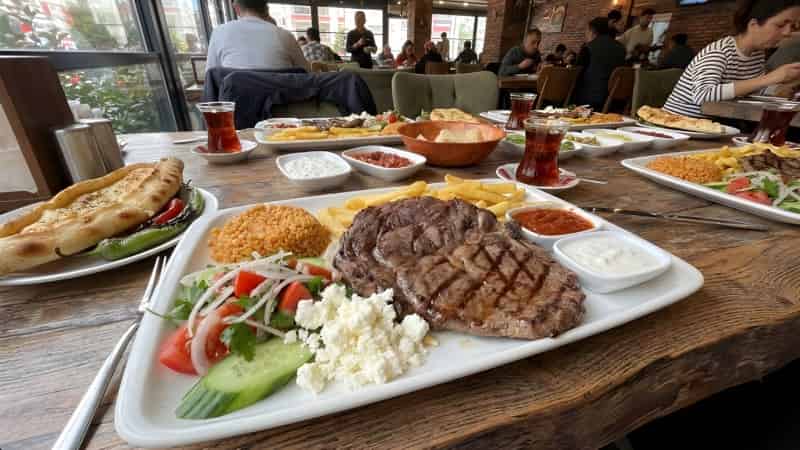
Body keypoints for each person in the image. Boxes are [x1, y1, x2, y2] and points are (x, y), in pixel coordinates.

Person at [664, 0, 800, 118]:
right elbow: (703, 95)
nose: (787, 33)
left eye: (792, 26)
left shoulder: (757, 54)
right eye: (780, 25)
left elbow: (751, 88)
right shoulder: (720, 51)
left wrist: (780, 89)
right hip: (675, 125)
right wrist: (770, 78)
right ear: (753, 25)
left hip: (716, 125)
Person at [206, 0, 309, 72]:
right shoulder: (285, 36)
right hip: (283, 101)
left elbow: (210, 77)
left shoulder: (219, 33)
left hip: (236, 102)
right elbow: (307, 73)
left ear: (236, 8)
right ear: (266, 9)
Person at [573, 17, 626, 110]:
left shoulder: (588, 47)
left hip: (589, 100)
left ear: (592, 31)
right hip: (615, 101)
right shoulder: (622, 48)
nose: (585, 34)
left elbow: (575, 74)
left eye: (586, 30)